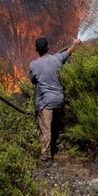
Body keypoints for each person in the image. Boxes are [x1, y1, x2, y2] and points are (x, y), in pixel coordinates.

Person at [29, 36, 81, 167]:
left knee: (45, 129)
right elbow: (69, 51)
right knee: (56, 124)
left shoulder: (34, 65)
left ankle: (45, 157)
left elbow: (33, 80)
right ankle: (58, 144)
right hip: (59, 100)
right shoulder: (57, 58)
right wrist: (75, 43)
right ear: (48, 47)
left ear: (35, 49)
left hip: (46, 102)